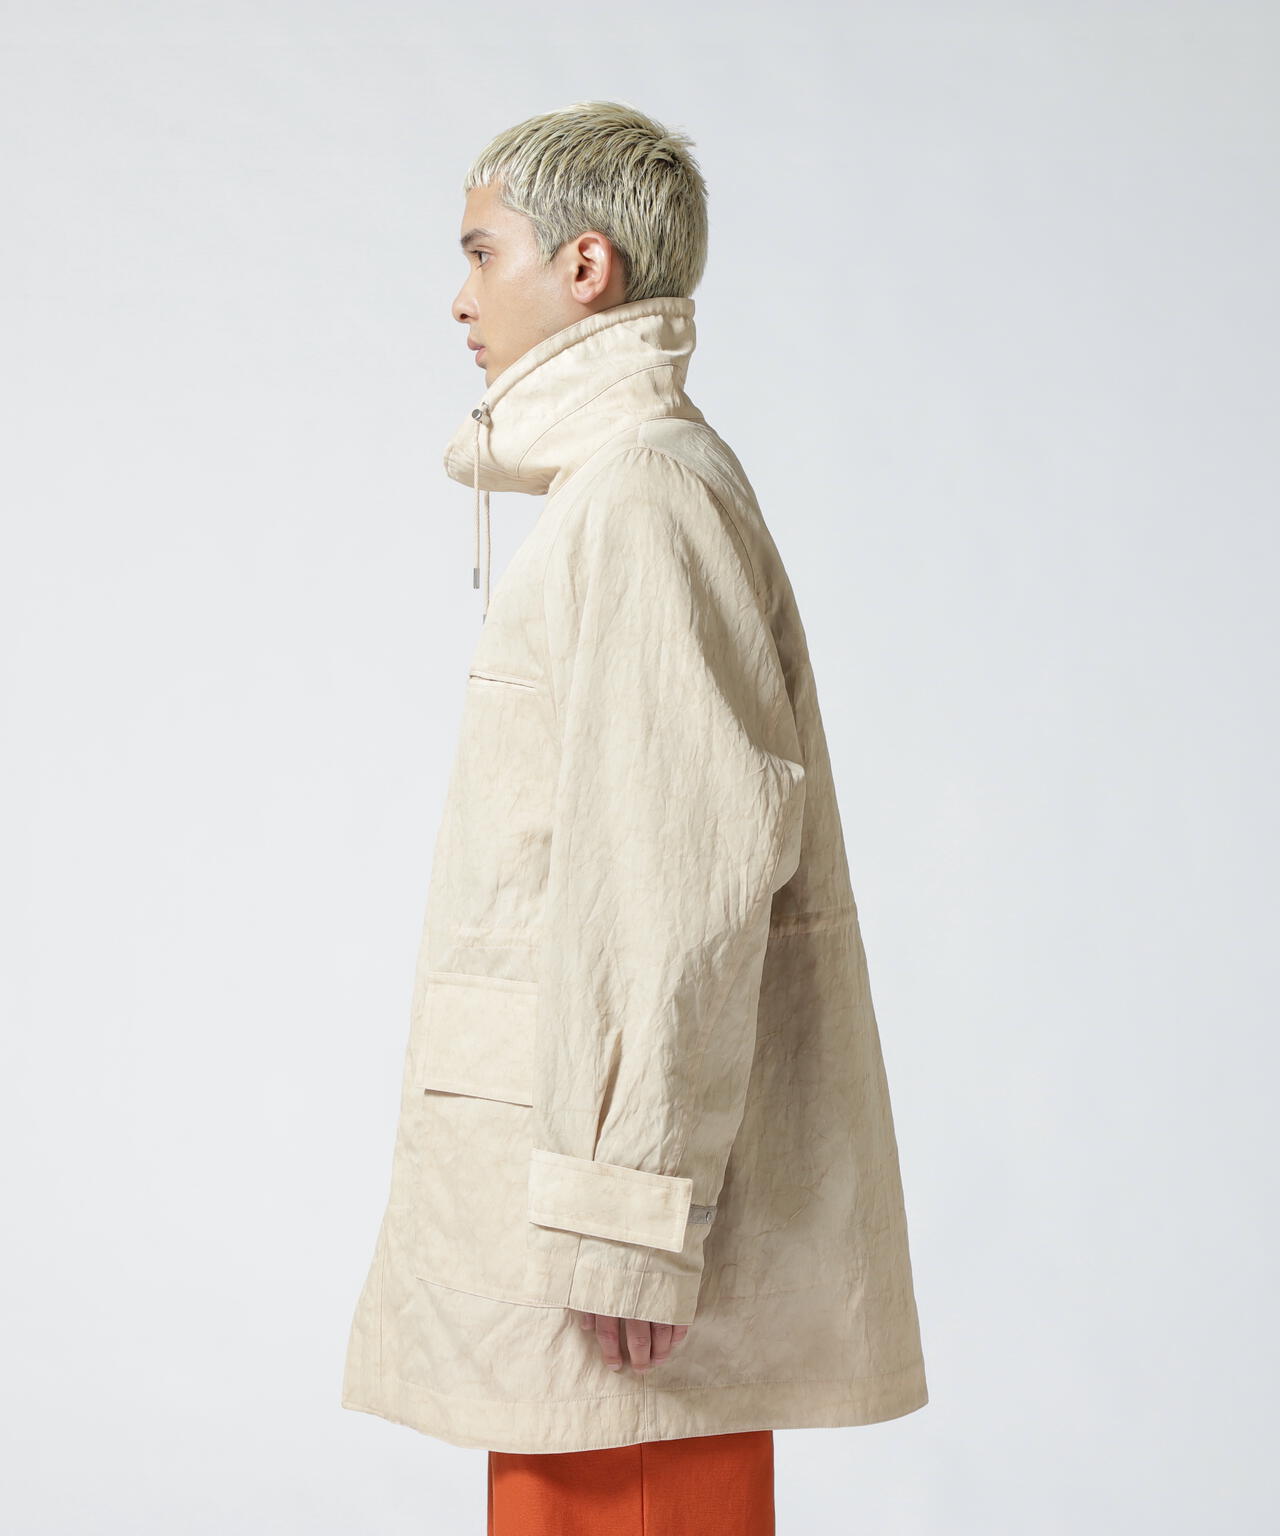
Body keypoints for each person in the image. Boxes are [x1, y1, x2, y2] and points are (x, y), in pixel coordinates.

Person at [341, 100, 929, 1535]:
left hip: (602, 1220)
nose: (460, 297)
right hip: (568, 1180)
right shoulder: (624, 490)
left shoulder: (643, 497)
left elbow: (680, 872)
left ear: (586, 266)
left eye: (483, 252)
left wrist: (626, 1214)